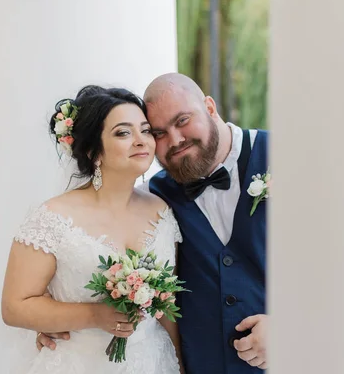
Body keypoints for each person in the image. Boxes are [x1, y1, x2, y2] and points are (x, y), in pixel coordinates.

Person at [37, 73, 270, 373]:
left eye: (183, 120)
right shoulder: (154, 198)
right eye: (158, 132)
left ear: (210, 108)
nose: (175, 140)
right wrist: (57, 324)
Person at [1, 85, 184, 374]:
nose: (141, 141)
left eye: (146, 130)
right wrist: (94, 315)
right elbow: (15, 306)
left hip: (153, 361)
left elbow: (167, 305)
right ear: (93, 151)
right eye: (123, 133)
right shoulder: (52, 218)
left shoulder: (161, 210)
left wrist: (181, 363)